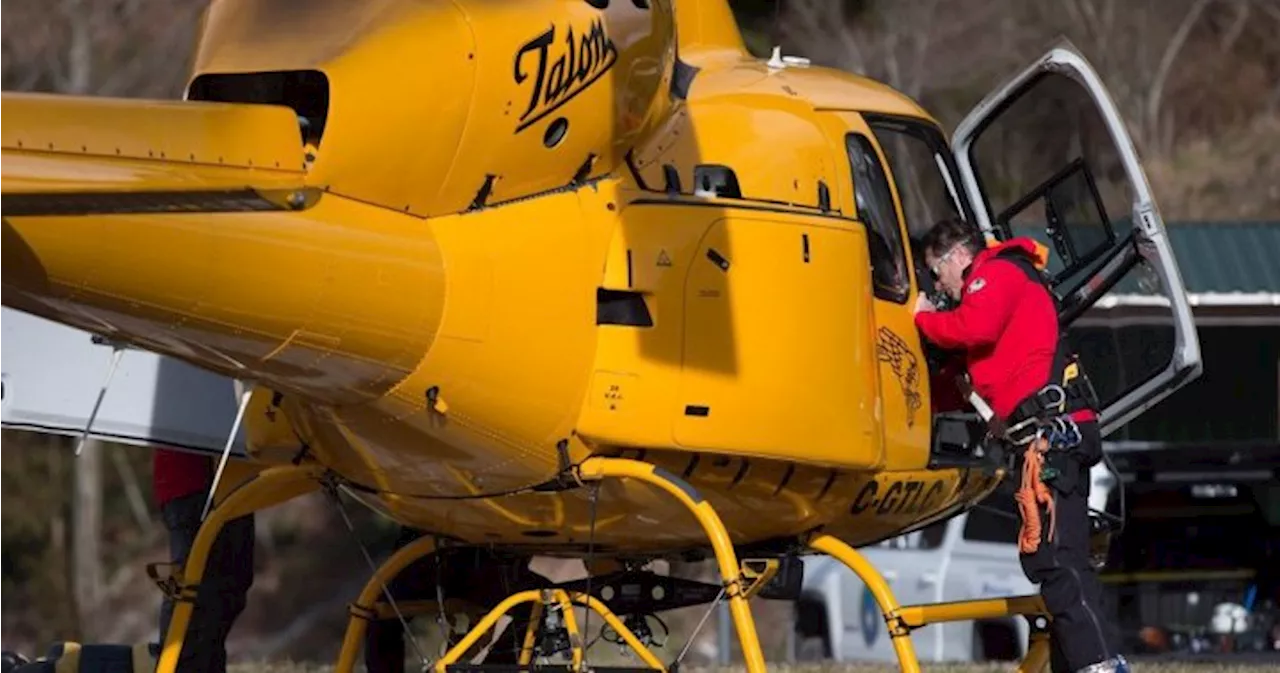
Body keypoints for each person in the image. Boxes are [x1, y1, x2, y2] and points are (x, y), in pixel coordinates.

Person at [912, 218, 1128, 673]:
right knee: (1058, 559)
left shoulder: (997, 273)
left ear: (957, 257)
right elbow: (963, 382)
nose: (937, 286)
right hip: (1049, 437)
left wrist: (921, 318)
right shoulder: (997, 291)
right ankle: (1088, 664)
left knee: (1055, 561)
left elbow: (973, 327)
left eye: (936, 274)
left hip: (1054, 436)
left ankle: (1100, 664)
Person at [153, 447, 255, 673]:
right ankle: (177, 665)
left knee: (229, 590)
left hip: (231, 477)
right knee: (198, 595)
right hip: (194, 482)